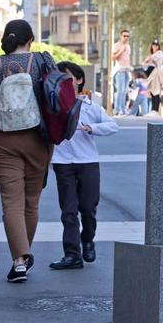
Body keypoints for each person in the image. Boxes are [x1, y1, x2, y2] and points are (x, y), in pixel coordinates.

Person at [0, 20, 57, 283]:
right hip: (38, 140)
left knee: (11, 202)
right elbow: (55, 92)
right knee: (31, 201)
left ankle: (19, 261)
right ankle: (24, 254)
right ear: (30, 39)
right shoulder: (43, 61)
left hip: (3, 141)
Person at [49, 62, 118, 270]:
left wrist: (91, 128)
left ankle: (87, 240)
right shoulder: (54, 105)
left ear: (79, 80)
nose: (64, 81)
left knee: (88, 209)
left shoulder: (91, 106)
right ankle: (72, 255)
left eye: (68, 77)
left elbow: (113, 126)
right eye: (59, 77)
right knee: (68, 211)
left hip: (87, 162)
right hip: (62, 163)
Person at [110, 29, 132, 115]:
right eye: (124, 36)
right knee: (119, 91)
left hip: (126, 71)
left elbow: (127, 59)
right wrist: (121, 50)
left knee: (125, 91)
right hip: (119, 71)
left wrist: (129, 68)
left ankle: (123, 110)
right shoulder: (116, 45)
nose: (126, 38)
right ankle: (117, 110)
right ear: (121, 36)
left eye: (127, 36)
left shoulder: (128, 46)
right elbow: (112, 58)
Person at [145, 40, 163, 116]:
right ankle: (153, 109)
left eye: (156, 45)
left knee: (156, 91)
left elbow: (150, 59)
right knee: (152, 91)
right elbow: (145, 62)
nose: (155, 46)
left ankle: (155, 110)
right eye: (153, 45)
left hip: (156, 73)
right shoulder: (152, 54)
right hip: (151, 74)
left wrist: (148, 59)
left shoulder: (159, 53)